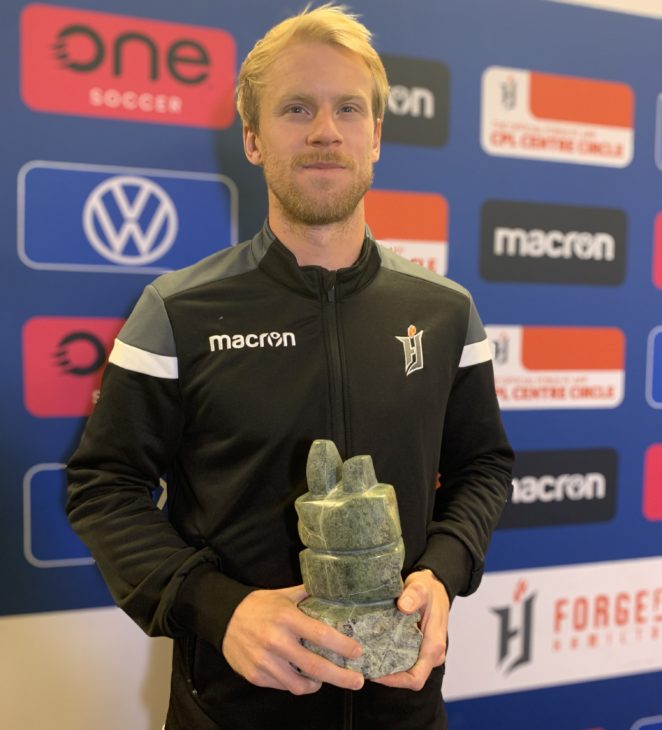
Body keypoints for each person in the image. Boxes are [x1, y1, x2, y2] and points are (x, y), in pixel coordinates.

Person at [66, 4, 513, 729]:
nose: (324, 131)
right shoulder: (177, 310)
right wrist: (220, 608)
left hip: (403, 707)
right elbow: (103, 486)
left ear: (376, 136)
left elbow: (483, 465)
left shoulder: (444, 310)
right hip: (231, 712)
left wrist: (443, 571)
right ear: (252, 137)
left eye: (348, 109)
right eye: (295, 108)